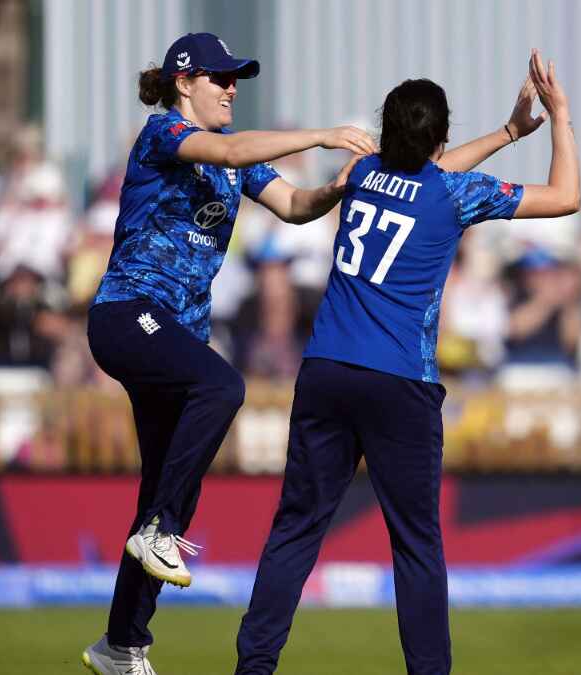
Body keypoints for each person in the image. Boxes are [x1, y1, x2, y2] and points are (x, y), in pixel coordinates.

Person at [233, 49, 579, 675]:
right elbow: (565, 197)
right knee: (416, 546)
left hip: (327, 371)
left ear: (385, 131)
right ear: (439, 137)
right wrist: (557, 117)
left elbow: (427, 171)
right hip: (400, 382)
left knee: (295, 530)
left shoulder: (362, 173)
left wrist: (506, 134)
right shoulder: (451, 193)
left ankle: (253, 667)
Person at [81, 32, 378, 675]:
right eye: (218, 78)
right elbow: (234, 148)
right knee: (222, 388)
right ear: (184, 83)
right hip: (127, 314)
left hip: (174, 335)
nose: (230, 88)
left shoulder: (234, 162)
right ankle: (157, 535)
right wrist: (322, 134)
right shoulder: (164, 133)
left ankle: (121, 645)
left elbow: (295, 207)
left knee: (164, 492)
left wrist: (336, 187)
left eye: (235, 78)